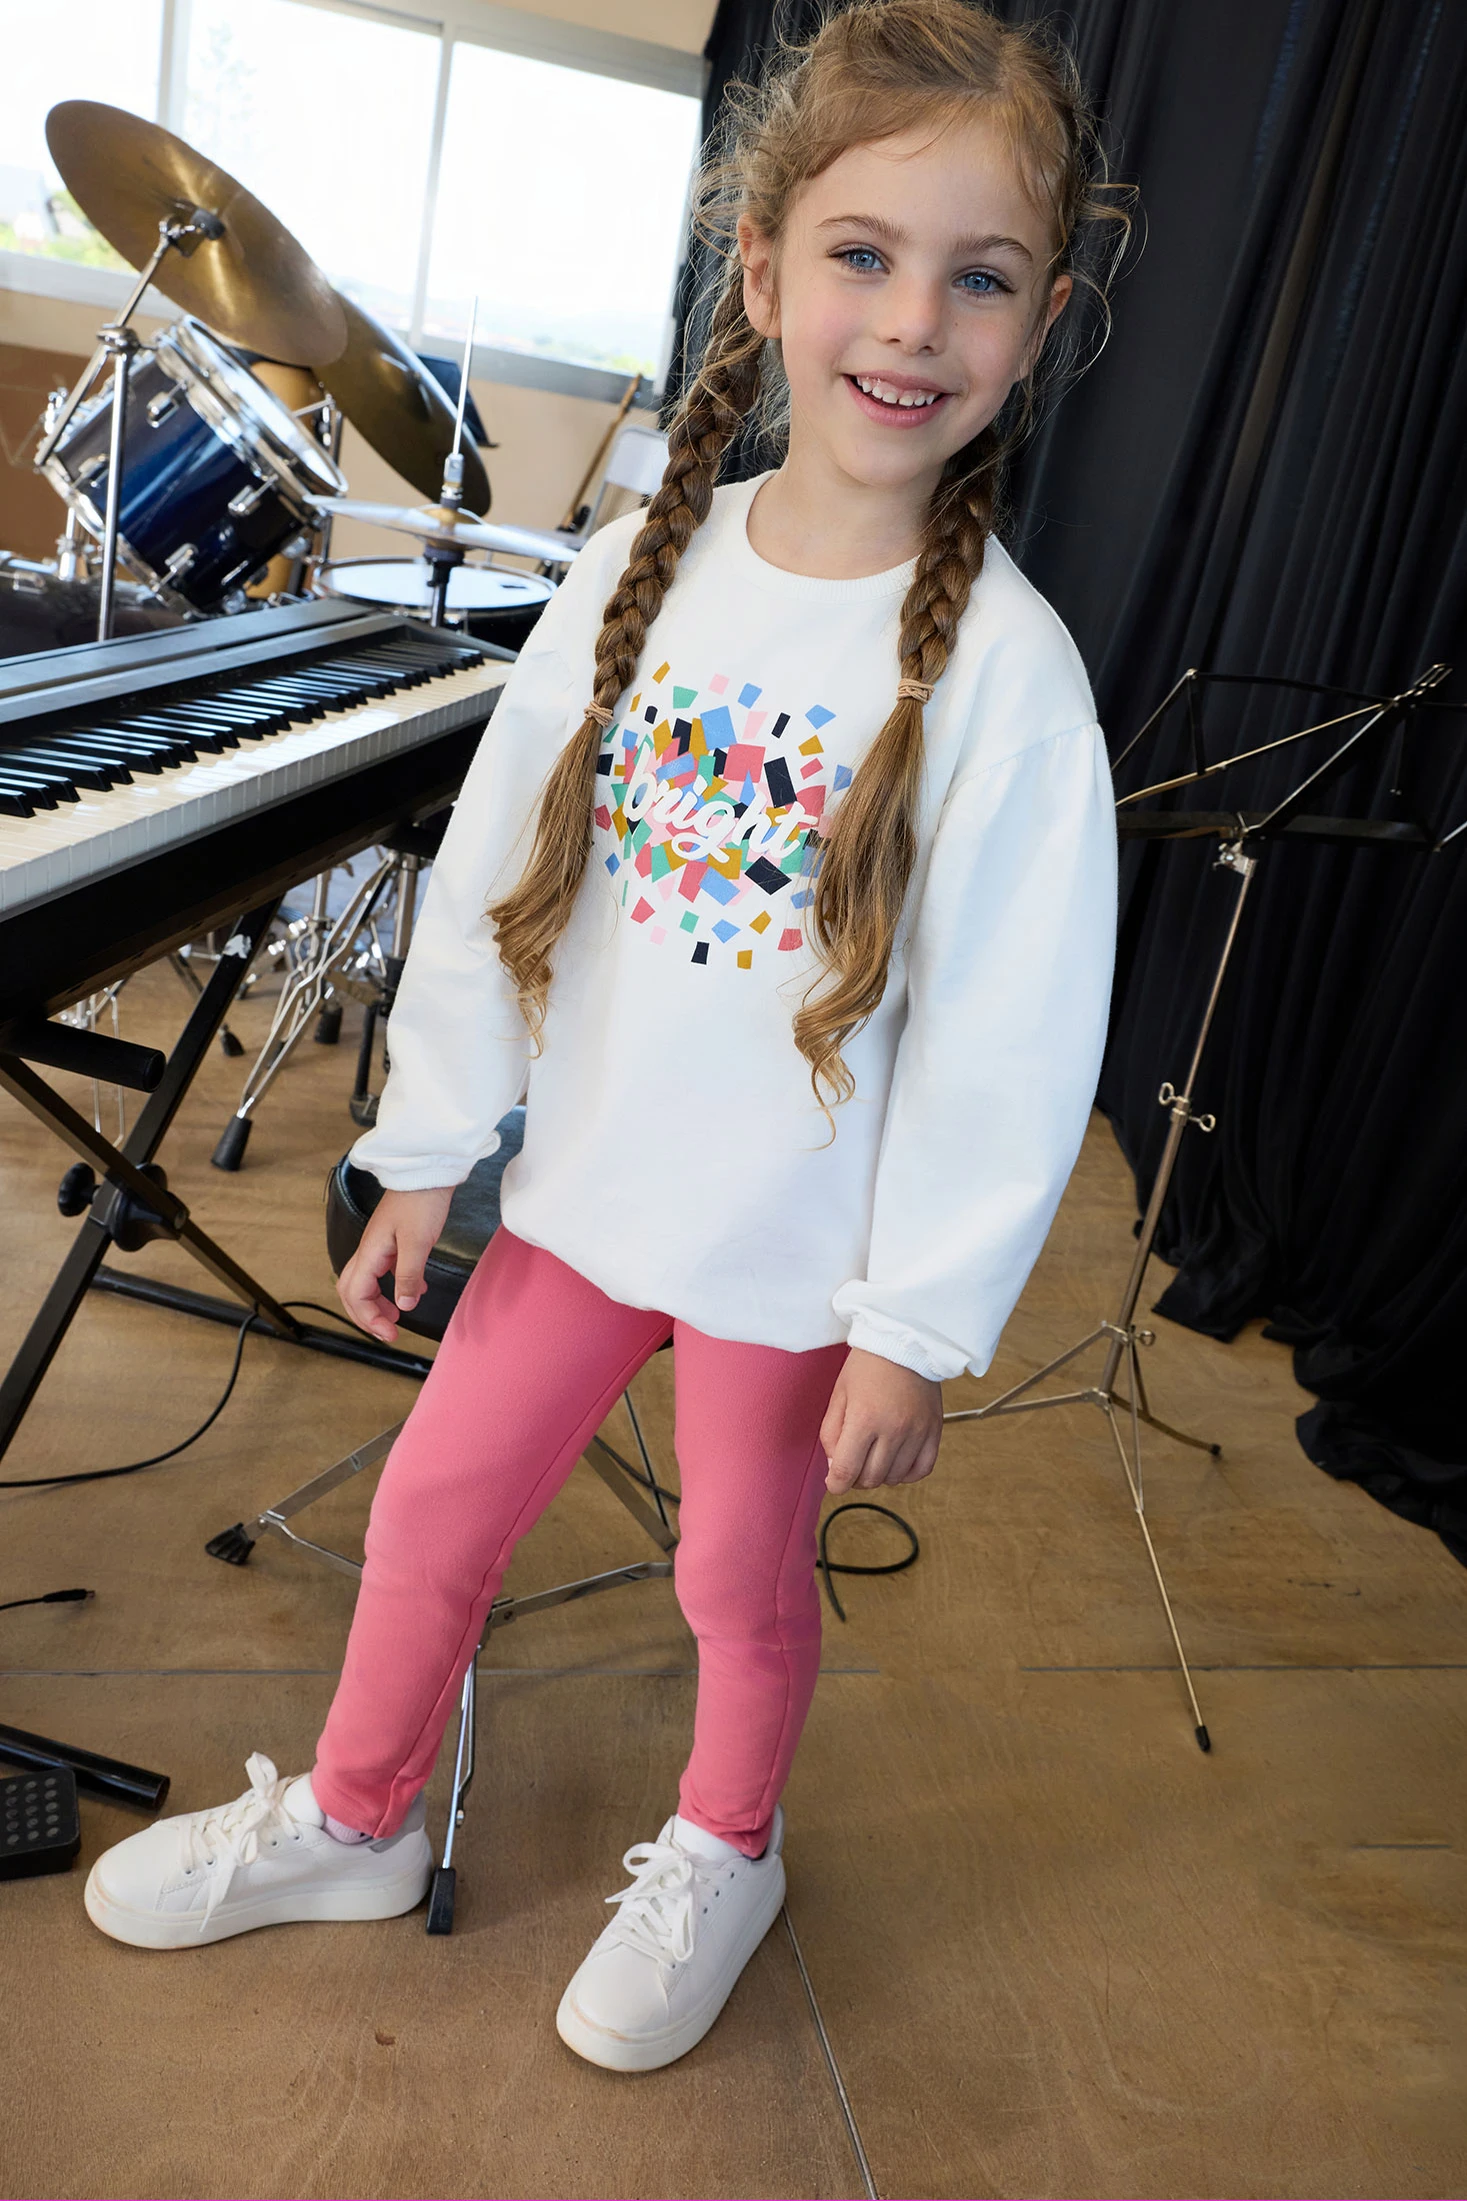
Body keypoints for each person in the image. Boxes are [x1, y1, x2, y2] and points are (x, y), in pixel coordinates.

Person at [85, 0, 1128, 2075]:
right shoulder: (646, 570)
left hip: (787, 1261)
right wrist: (424, 1147)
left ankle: (726, 1848)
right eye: (861, 254)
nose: (909, 321)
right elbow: (500, 875)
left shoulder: (1011, 680)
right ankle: (358, 1818)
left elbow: (1011, 1040)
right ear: (761, 270)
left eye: (978, 276)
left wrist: (913, 1325)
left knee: (736, 1577)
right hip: (578, 1200)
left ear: (1039, 320)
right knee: (429, 1512)